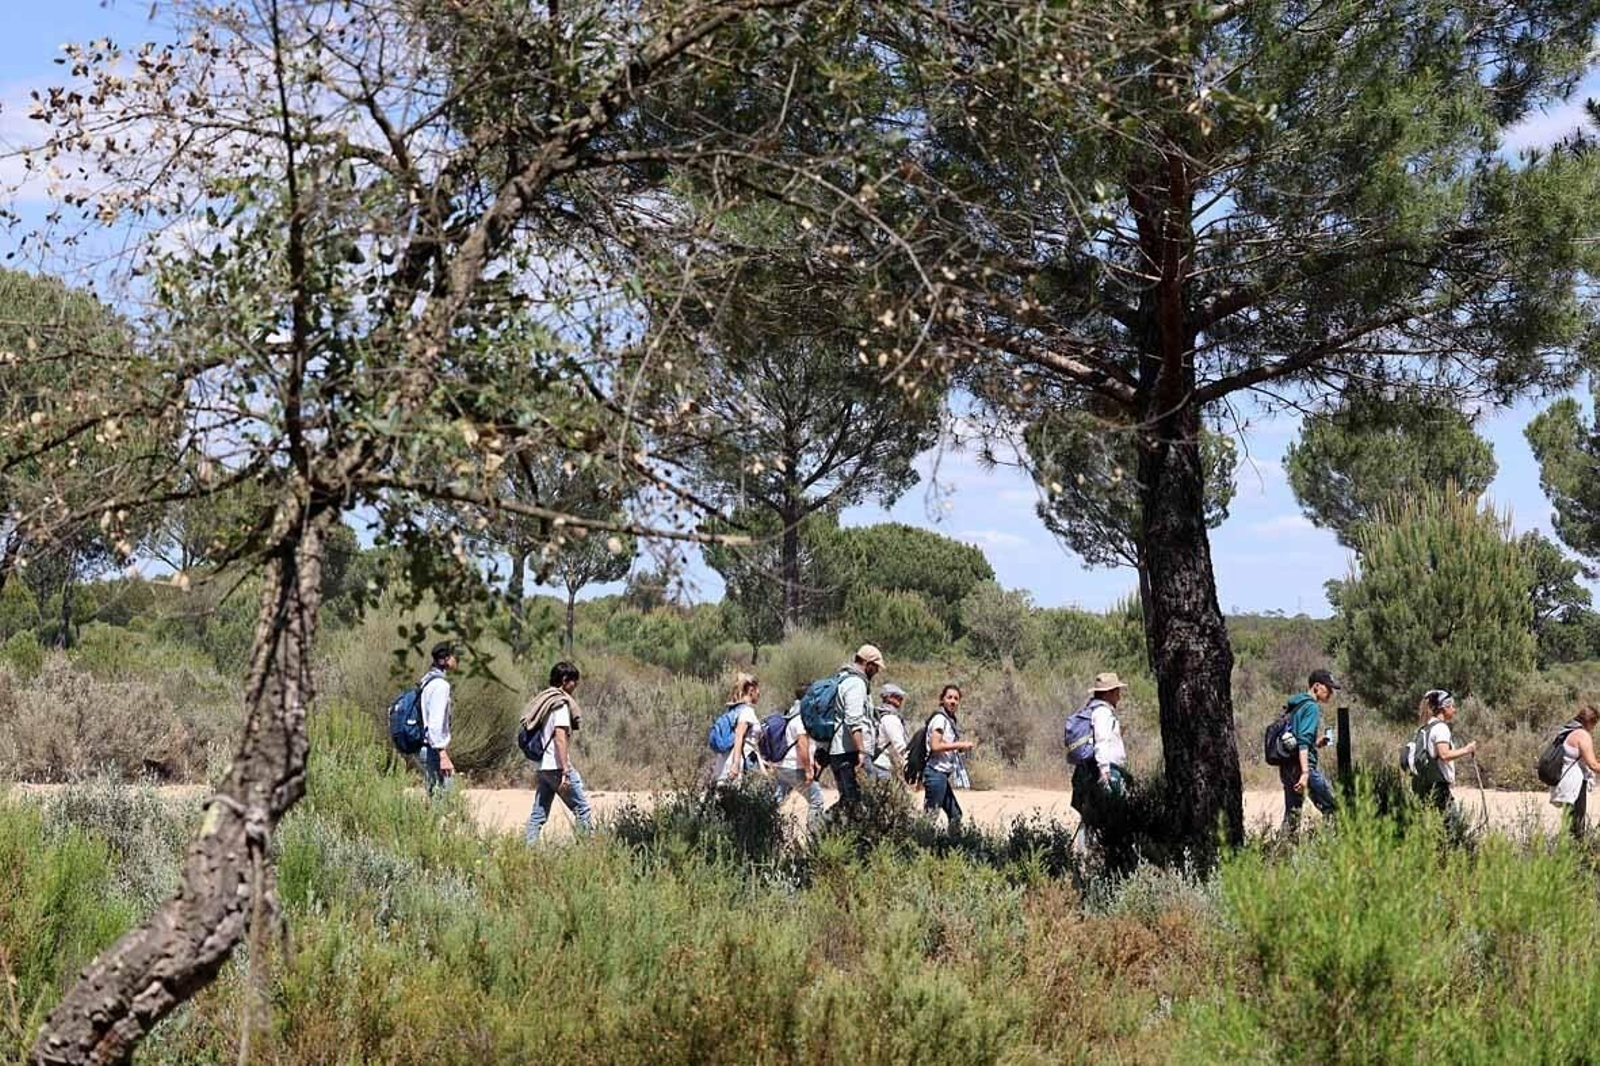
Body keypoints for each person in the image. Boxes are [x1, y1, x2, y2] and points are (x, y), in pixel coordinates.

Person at [524, 661, 594, 845]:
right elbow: (560, 737)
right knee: (582, 810)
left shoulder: (545, 701)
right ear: (565, 680)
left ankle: (527, 848)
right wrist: (565, 770)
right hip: (556, 766)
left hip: (543, 767)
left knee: (538, 813)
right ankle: (587, 851)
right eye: (573, 682)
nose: (575, 686)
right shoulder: (561, 704)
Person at [1069, 672, 1130, 852]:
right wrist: (1105, 772)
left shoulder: (1094, 711)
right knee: (1107, 816)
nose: (1119, 694)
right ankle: (1096, 858)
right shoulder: (1103, 713)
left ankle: (1083, 857)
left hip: (1090, 771)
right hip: (1103, 772)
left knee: (1090, 817)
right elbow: (1102, 742)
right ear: (1108, 693)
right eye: (1117, 690)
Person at [826, 644, 883, 817]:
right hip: (849, 752)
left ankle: (826, 832)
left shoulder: (843, 678)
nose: (877, 671)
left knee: (849, 801)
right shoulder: (855, 683)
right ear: (867, 663)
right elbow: (854, 721)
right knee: (860, 803)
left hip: (840, 751)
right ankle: (822, 825)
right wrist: (861, 751)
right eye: (876, 667)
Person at [1281, 668, 1339, 833]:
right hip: (1304, 769)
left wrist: (1316, 744)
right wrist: (1305, 773)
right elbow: (1303, 741)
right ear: (1316, 686)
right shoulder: (1311, 707)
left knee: (1292, 815)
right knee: (1332, 808)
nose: (1330, 693)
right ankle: (1332, 848)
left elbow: (1299, 739)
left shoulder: (1296, 705)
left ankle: (1282, 855)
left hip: (1288, 766)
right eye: (1328, 688)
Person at [1411, 689, 1477, 815]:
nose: (1454, 710)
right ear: (1443, 708)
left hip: (1424, 785)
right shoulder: (1441, 728)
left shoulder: (1425, 727)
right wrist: (1467, 749)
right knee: (1452, 824)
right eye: (1452, 706)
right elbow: (1444, 755)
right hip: (1438, 788)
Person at [924, 683, 976, 831]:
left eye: (956, 698)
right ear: (942, 700)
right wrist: (959, 744)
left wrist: (957, 747)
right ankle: (921, 848)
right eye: (949, 697)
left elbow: (943, 746)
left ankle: (950, 848)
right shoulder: (940, 719)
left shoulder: (949, 720)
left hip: (941, 775)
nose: (953, 701)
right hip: (935, 773)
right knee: (929, 818)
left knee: (956, 815)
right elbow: (935, 746)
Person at [772, 688, 826, 832]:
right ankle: (815, 838)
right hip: (795, 768)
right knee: (816, 801)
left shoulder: (791, 715)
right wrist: (808, 770)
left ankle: (763, 827)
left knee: (776, 800)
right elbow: (802, 746)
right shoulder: (801, 719)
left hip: (783, 766)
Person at [1550, 704, 1600, 840]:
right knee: (1577, 825)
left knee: (1569, 822)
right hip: (1575, 784)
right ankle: (1574, 856)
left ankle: (1565, 853)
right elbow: (1593, 764)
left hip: (1564, 782)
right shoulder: (1582, 735)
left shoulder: (1567, 731)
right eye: (1594, 724)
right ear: (1590, 721)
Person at [418, 642, 457, 796]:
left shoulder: (427, 682)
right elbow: (435, 723)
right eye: (453, 656)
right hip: (433, 750)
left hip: (426, 748)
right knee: (446, 799)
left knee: (435, 797)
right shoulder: (441, 686)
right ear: (445, 659)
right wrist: (443, 754)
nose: (455, 660)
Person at [713, 673, 763, 785]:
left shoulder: (735, 710)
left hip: (724, 762)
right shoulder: (747, 711)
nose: (759, 693)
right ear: (751, 690)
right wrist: (735, 764)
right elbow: (739, 736)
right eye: (757, 689)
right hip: (734, 765)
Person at [870, 683, 911, 783]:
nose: (900, 700)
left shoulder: (881, 715)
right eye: (897, 697)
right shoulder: (891, 719)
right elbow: (900, 746)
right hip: (885, 767)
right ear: (889, 698)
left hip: (878, 764)